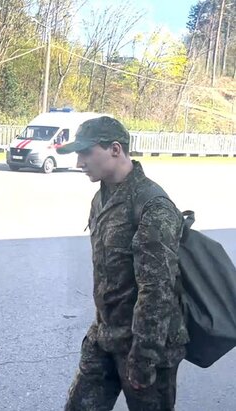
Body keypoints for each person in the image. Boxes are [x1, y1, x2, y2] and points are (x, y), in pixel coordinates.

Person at [57, 116, 189, 411]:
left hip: (145, 346)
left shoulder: (153, 206)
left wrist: (144, 358)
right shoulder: (101, 197)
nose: (79, 163)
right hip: (105, 336)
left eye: (86, 153)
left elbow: (157, 291)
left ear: (115, 149)